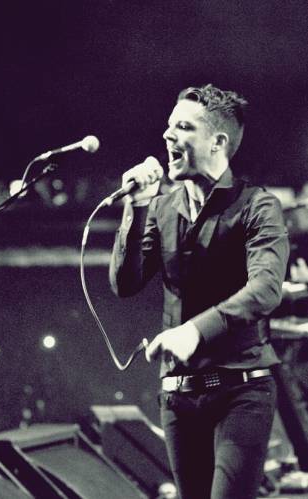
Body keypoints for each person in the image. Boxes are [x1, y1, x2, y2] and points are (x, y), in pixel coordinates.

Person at [109, 84, 289, 499]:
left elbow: (265, 289)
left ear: (217, 142)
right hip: (179, 395)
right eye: (169, 126)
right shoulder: (161, 208)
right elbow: (125, 283)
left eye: (183, 127)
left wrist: (194, 331)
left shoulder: (257, 206)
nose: (167, 135)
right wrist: (136, 207)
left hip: (241, 390)